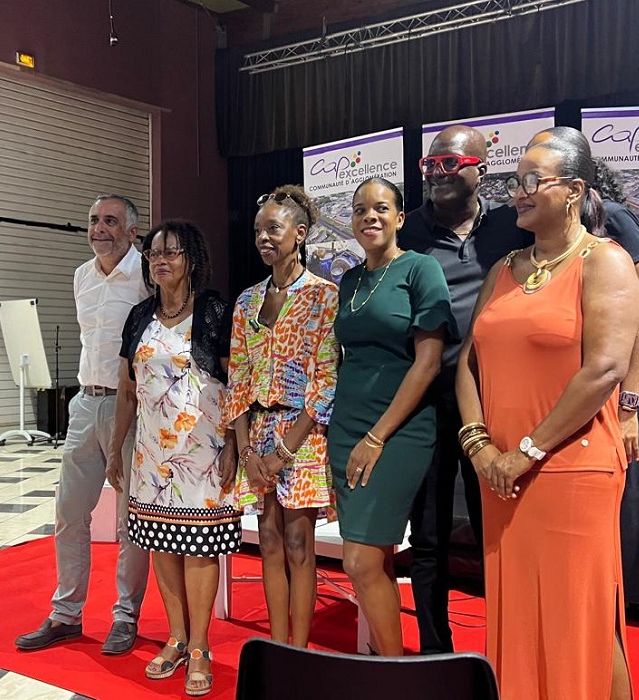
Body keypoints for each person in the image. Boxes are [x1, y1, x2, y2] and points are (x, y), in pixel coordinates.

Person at [457, 130, 639, 698]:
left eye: (533, 180)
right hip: (500, 476)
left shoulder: (604, 262)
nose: (519, 191)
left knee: (581, 621)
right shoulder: (502, 269)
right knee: (517, 615)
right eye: (515, 181)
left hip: (570, 470)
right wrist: (479, 446)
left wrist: (526, 452)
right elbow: (468, 362)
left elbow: (604, 370)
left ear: (575, 190)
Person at [399, 125, 531, 654]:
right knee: (428, 539)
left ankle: (506, 652)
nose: (438, 174)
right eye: (430, 165)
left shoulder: (511, 227)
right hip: (425, 405)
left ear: (482, 168)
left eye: (451, 164)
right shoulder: (407, 232)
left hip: (491, 404)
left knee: (495, 534)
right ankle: (436, 654)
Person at [529, 129, 639, 607]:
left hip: (614, 393)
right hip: (565, 390)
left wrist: (629, 405)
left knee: (620, 506)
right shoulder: (536, 234)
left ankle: (616, 609)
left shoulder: (615, 220)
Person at [15, 194, 150, 656]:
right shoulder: (81, 276)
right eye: (94, 220)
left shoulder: (147, 274)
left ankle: (125, 616)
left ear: (132, 231)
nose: (99, 229)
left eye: (110, 221)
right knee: (70, 512)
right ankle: (66, 615)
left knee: (133, 520)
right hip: (85, 403)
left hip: (131, 407)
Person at [328, 177, 457, 656]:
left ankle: (394, 671)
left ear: (400, 218)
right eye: (360, 209)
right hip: (347, 426)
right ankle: (388, 662)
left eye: (381, 208)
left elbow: (428, 362)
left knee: (359, 561)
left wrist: (377, 436)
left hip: (399, 430)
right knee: (371, 556)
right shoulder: (349, 280)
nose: (370, 217)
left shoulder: (421, 269)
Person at [111, 220, 239, 697]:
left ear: (191, 259)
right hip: (151, 452)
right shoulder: (138, 316)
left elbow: (235, 382)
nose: (160, 260)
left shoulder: (214, 310)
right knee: (162, 544)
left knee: (199, 546)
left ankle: (201, 645)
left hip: (203, 450)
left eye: (171, 252)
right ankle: (177, 637)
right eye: (153, 253)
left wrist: (234, 444)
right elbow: (127, 389)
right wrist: (116, 446)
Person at [224, 185, 339, 648]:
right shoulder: (247, 301)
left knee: (298, 543)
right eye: (258, 230)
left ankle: (299, 651)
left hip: (303, 433)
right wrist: (247, 449)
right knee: (268, 540)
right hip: (257, 431)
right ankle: (276, 648)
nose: (263, 238)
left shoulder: (323, 296)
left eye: (273, 228)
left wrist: (283, 452)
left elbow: (325, 380)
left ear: (300, 234)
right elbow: (238, 376)